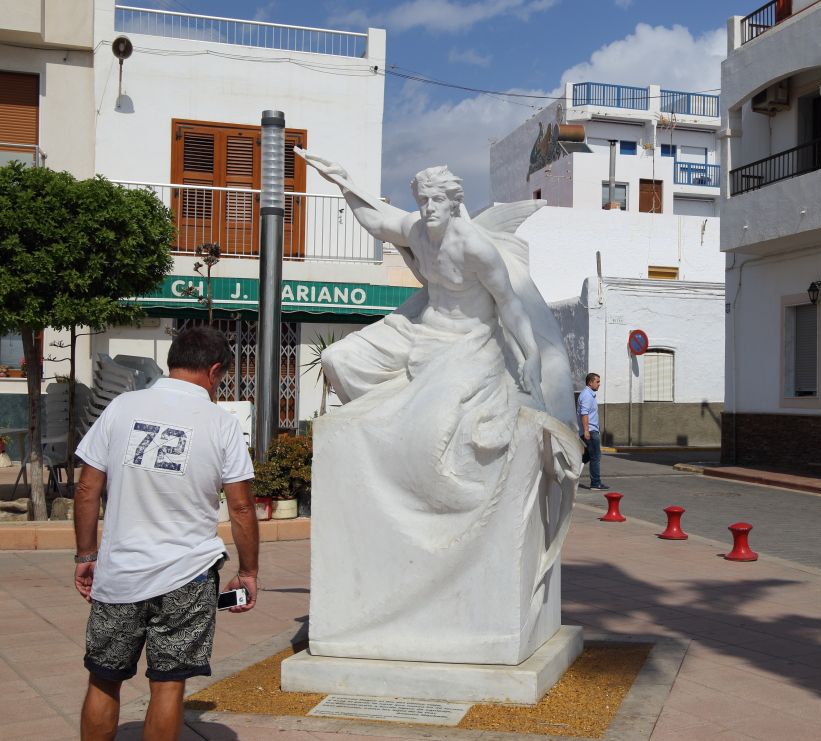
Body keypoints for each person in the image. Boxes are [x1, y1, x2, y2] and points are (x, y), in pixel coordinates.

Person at [293, 151, 582, 660]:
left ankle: (432, 480)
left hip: (469, 340)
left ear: (454, 203)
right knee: (340, 360)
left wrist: (531, 358)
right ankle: (376, 438)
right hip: (420, 328)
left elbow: (510, 305)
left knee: (431, 421)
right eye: (421, 200)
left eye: (436, 201)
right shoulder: (418, 230)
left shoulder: (475, 247)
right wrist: (344, 183)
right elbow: (378, 220)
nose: (427, 208)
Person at [73, 326, 258, 740]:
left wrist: (86, 556)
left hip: (120, 572)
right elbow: (242, 507)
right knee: (169, 683)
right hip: (188, 576)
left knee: (104, 678)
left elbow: (87, 488)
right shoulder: (221, 424)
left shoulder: (121, 407)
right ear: (214, 371)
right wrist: (248, 572)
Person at [579, 373, 607, 490]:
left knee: (585, 457)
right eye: (597, 382)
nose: (599, 384)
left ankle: (568, 473)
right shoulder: (587, 395)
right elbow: (584, 414)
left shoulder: (590, 395)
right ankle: (595, 483)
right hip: (590, 431)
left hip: (592, 430)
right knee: (595, 456)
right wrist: (586, 431)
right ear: (590, 382)